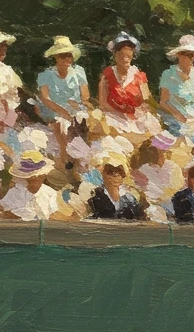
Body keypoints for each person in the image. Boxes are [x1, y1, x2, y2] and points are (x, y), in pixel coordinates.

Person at [36, 36, 91, 168]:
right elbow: (46, 99)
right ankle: (64, 155)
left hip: (75, 108)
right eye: (63, 56)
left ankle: (83, 160)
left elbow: (85, 96)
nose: (67, 59)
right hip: (54, 109)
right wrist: (63, 111)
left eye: (69, 56)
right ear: (56, 57)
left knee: (86, 121)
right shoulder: (46, 75)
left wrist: (78, 105)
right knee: (61, 124)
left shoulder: (79, 72)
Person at [98, 32, 161, 142]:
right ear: (115, 55)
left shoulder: (138, 76)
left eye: (129, 57)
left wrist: (143, 109)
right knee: (111, 132)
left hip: (136, 117)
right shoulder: (107, 75)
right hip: (114, 115)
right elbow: (103, 103)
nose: (126, 60)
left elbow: (148, 100)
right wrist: (122, 114)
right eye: (122, 56)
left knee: (152, 128)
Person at [158, 35, 194, 134]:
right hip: (174, 115)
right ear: (179, 55)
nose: (192, 59)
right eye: (189, 55)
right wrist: (178, 116)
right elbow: (163, 102)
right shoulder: (168, 74)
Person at [1, 150, 62, 221]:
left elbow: (54, 215)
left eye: (34, 180)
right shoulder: (14, 193)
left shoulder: (50, 193)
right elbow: (3, 212)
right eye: (28, 180)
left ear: (43, 177)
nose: (29, 184)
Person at [87, 154, 145, 220]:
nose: (115, 178)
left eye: (120, 174)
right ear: (104, 175)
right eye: (111, 174)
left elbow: (140, 217)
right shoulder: (96, 197)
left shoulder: (129, 198)